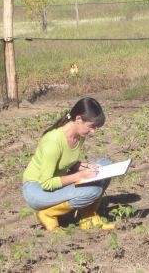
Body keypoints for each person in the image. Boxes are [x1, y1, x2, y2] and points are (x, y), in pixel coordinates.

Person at [22, 97, 115, 231]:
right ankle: (48, 214)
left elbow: (65, 162)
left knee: (105, 165)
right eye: (91, 126)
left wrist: (84, 166)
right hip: (37, 190)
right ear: (78, 119)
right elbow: (46, 183)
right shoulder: (53, 142)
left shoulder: (79, 136)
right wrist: (80, 176)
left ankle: (87, 218)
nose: (94, 131)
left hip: (56, 181)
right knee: (93, 190)